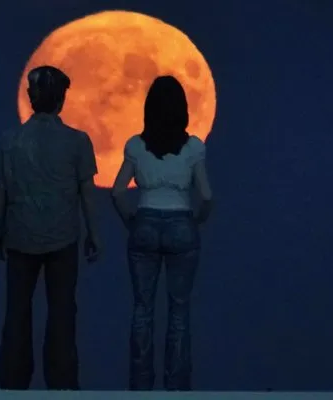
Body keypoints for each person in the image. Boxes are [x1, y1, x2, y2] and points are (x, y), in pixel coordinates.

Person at [0, 65, 101, 390]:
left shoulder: (9, 141)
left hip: (19, 235)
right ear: (61, 99)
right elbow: (87, 194)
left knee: (16, 313)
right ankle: (62, 385)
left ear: (31, 97)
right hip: (63, 237)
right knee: (63, 313)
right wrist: (94, 232)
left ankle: (12, 384)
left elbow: (0, 193)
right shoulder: (77, 142)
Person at [110, 75, 213, 391]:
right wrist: (196, 222)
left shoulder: (135, 146)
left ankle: (140, 387)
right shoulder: (194, 147)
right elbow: (206, 196)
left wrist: (131, 221)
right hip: (182, 223)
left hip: (144, 224)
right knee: (179, 312)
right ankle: (177, 388)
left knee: (142, 310)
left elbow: (116, 192)